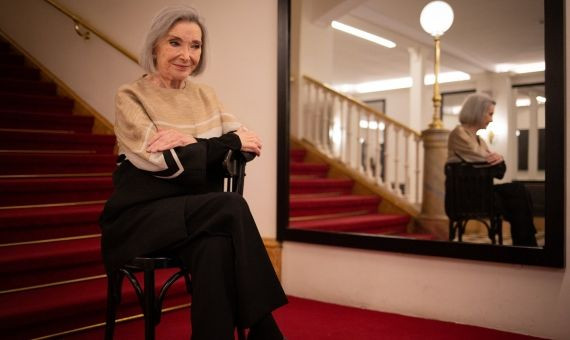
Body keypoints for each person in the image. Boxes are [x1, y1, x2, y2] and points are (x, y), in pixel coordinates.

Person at [99, 5, 287, 339]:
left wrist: (193, 142)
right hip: (142, 218)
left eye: (195, 46)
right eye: (175, 43)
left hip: (197, 219)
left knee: (215, 246)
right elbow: (163, 162)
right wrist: (217, 144)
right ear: (155, 45)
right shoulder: (130, 96)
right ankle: (264, 330)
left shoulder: (206, 95)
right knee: (230, 204)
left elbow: (250, 144)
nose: (186, 55)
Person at [447, 92, 538, 247]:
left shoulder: (480, 140)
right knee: (517, 194)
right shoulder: (459, 133)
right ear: (477, 112)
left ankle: (525, 243)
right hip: (466, 196)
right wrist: (494, 158)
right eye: (490, 114)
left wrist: (496, 159)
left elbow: (497, 170)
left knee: (520, 190)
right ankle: (526, 244)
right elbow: (484, 159)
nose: (491, 119)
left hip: (481, 192)